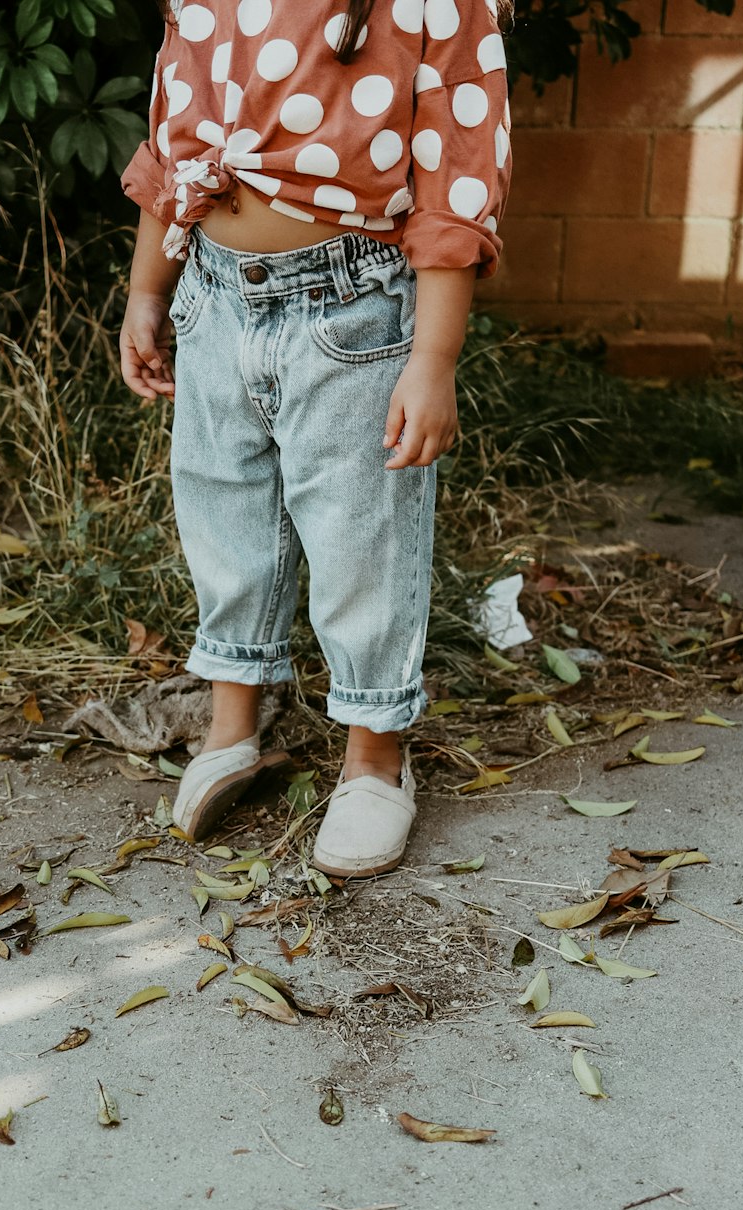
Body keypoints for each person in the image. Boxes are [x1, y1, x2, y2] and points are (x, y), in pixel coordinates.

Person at [120, 0, 512, 876]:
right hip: (215, 298)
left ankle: (375, 756)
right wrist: (150, 288)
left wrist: (434, 357)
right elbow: (175, 147)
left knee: (356, 535)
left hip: (354, 310)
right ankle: (233, 727)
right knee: (224, 515)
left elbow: (457, 180)